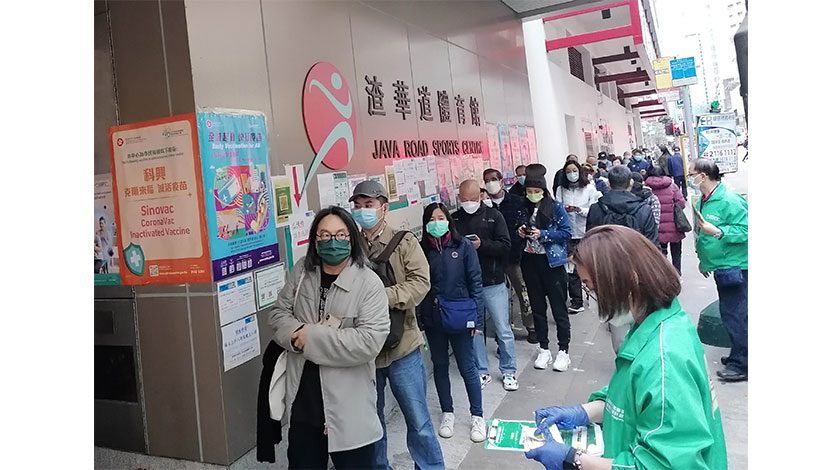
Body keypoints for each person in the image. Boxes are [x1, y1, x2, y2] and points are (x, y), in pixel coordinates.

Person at [525, 225, 727, 470]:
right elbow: (631, 401)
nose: (594, 298)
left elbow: (662, 465)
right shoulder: (653, 325)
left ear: (628, 280)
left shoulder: (665, 358)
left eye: (593, 288)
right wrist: (583, 412)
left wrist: (574, 460)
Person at [268, 206, 390, 470]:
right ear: (315, 240)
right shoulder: (302, 272)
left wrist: (310, 337)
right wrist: (294, 335)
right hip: (304, 403)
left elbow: (369, 341)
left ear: (352, 238)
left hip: (350, 407)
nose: (332, 241)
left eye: (340, 235)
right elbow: (278, 313)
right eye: (324, 235)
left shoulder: (368, 283)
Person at [349, 181, 445, 470]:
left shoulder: (404, 241)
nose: (363, 211)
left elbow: (421, 283)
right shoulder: (349, 245)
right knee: (372, 423)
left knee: (419, 421)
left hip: (404, 347)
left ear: (384, 208)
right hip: (365, 351)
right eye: (358, 206)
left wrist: (381, 296)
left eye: (369, 205)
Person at [417, 203, 487, 443]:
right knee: (440, 365)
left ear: (448, 220)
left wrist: (478, 320)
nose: (436, 223)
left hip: (460, 317)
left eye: (440, 218)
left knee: (468, 367)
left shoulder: (463, 246)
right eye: (431, 219)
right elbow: (418, 287)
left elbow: (476, 282)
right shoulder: (422, 250)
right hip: (433, 318)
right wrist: (420, 320)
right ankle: (447, 412)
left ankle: (477, 415)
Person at [451, 180, 518, 392]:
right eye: (464, 199)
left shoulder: (494, 216)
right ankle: (482, 371)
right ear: (459, 198)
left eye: (473, 199)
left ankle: (509, 370)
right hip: (467, 285)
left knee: (503, 328)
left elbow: (505, 245)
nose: (469, 203)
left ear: (480, 196)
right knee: (475, 330)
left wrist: (482, 245)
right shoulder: (454, 219)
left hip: (493, 281)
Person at [586, 165, 658, 353]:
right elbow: (652, 246)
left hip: (608, 274)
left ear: (609, 184)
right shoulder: (643, 209)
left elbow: (589, 246)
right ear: (631, 183)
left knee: (617, 324)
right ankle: (643, 359)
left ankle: (624, 360)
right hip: (638, 274)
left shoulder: (596, 209)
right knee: (643, 321)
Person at [690, 159, 748, 383]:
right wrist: (704, 260)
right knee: (731, 314)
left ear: (703, 176)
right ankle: (738, 355)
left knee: (737, 316)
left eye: (692, 174)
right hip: (721, 266)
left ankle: (742, 365)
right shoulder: (706, 199)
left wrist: (719, 232)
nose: (690, 178)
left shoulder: (728, 200)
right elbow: (703, 233)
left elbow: (746, 230)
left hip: (735, 266)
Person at [517, 164, 573, 372]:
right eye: (529, 191)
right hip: (530, 261)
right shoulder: (523, 207)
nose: (532, 194)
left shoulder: (555, 207)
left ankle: (564, 350)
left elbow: (566, 232)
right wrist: (521, 232)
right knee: (537, 307)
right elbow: (516, 226)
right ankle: (544, 348)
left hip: (552, 263)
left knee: (559, 308)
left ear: (543, 190)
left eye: (536, 191)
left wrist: (544, 234)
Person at [483, 168, 536, 344]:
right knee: (497, 296)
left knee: (523, 291)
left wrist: (522, 231)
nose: (490, 183)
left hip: (514, 256)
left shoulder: (516, 201)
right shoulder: (483, 207)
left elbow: (524, 222)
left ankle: (531, 326)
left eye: (493, 179)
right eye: (486, 180)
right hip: (492, 258)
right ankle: (502, 329)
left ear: (501, 181)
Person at [552, 161, 599, 315]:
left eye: (574, 171)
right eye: (568, 172)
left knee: (589, 266)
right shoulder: (561, 189)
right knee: (572, 268)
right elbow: (556, 208)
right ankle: (576, 301)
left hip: (585, 232)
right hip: (568, 233)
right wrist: (564, 210)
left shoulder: (589, 189)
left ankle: (596, 295)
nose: (571, 174)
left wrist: (579, 210)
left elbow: (594, 210)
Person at [646, 167, 687, 275]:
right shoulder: (672, 186)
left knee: (660, 254)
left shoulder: (647, 188)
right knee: (676, 252)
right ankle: (677, 273)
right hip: (674, 226)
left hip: (655, 227)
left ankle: (663, 275)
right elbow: (682, 203)